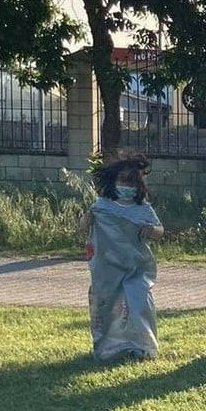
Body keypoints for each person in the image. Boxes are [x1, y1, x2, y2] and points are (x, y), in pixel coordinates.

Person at [79, 153, 164, 362]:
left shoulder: (143, 209)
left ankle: (142, 345)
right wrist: (87, 220)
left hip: (137, 268)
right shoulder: (102, 206)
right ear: (113, 181)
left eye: (132, 182)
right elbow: (84, 228)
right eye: (123, 180)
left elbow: (160, 230)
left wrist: (151, 230)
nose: (127, 186)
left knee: (138, 302)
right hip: (108, 268)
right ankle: (110, 347)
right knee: (109, 305)